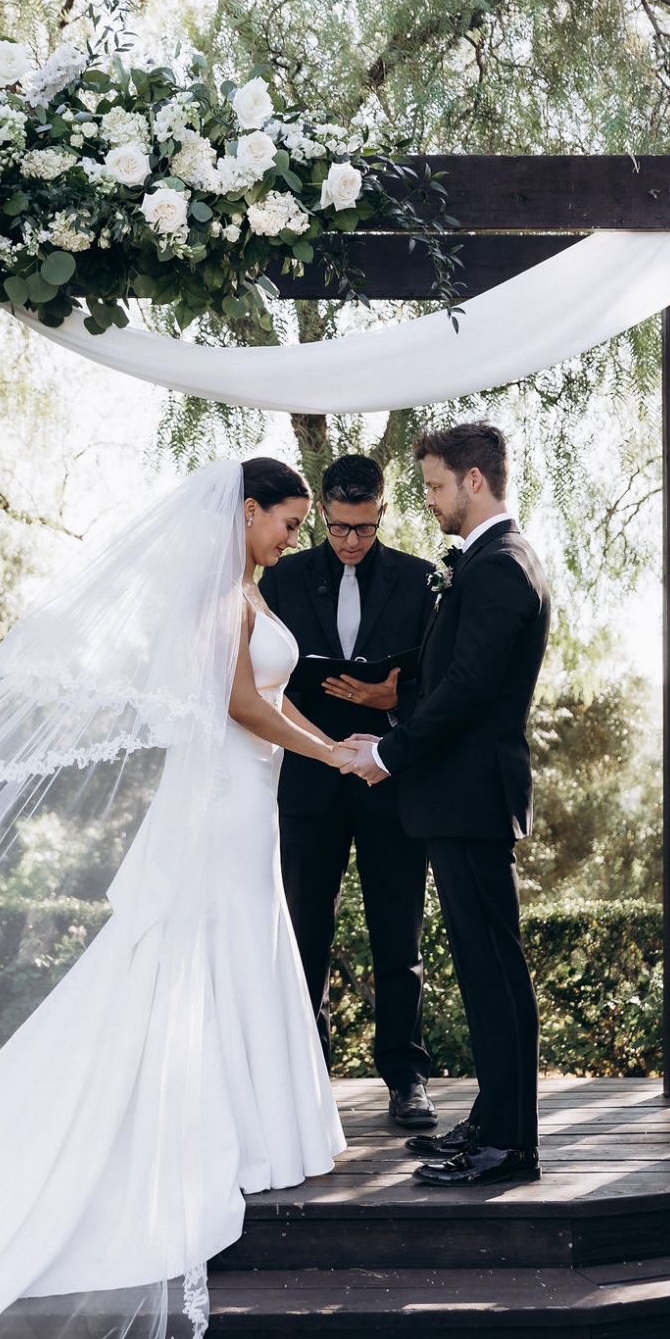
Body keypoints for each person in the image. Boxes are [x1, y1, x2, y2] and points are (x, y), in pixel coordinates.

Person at [0, 458, 352, 1339]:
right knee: (217, 941)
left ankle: (266, 1125)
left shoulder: (245, 589)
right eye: (284, 522)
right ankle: (239, 1128)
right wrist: (329, 748)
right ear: (245, 515)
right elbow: (238, 703)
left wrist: (321, 739)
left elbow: (262, 698)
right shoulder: (221, 601)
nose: (290, 538)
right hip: (223, 799)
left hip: (248, 799)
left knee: (247, 938)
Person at [343, 423, 551, 1188]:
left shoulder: (499, 566)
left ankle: (510, 1145)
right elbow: (444, 681)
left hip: (469, 797)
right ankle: (492, 1121)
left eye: (432, 485)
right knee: (480, 968)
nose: (427, 500)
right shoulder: (490, 562)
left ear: (472, 480)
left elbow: (467, 691)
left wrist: (388, 755)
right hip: (456, 797)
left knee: (494, 972)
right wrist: (392, 722)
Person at [259, 455, 437, 1130]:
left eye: (362, 529)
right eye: (337, 528)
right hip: (308, 778)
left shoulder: (422, 580)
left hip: (390, 778)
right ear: (323, 516)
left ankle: (406, 1077)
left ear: (383, 513)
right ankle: (306, 1075)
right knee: (304, 932)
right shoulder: (283, 575)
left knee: (400, 936)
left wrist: (395, 697)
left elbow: (439, 680)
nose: (349, 541)